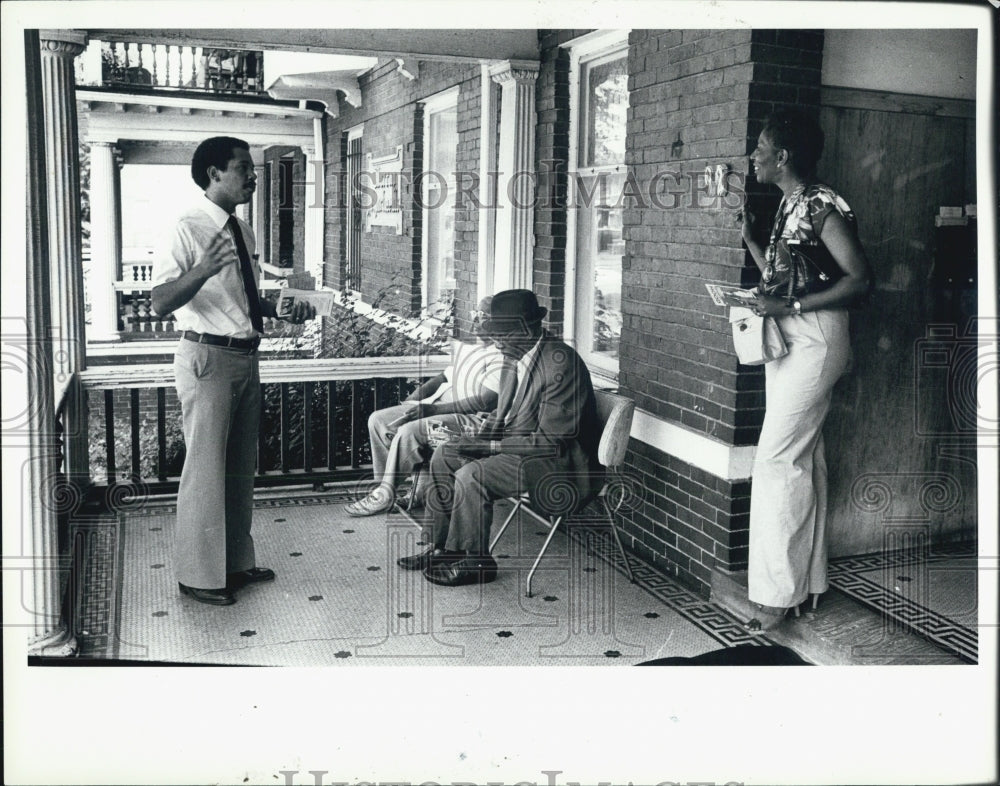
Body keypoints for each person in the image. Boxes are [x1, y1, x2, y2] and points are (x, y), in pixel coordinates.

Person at [151, 136, 315, 606]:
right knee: (204, 469)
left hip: (245, 356)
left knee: (241, 467)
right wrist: (201, 269)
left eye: (252, 167)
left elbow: (242, 298)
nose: (253, 175)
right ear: (213, 173)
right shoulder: (186, 227)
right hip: (207, 359)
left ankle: (235, 563)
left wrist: (281, 308)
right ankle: (198, 575)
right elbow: (161, 301)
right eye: (243, 167)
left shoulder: (242, 231)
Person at [737, 110, 873, 630]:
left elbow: (860, 280)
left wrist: (791, 309)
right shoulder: (790, 204)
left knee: (776, 459)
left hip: (815, 339)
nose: (755, 157)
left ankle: (775, 594)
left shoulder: (821, 203)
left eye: (761, 149)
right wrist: (752, 238)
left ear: (783, 157)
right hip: (790, 340)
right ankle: (808, 581)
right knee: (804, 454)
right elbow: (785, 275)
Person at [397, 289, 602, 587]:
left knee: (472, 476)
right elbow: (503, 416)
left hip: (557, 463)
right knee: (445, 456)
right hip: (522, 448)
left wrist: (488, 447)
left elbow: (550, 442)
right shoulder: (514, 357)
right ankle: (440, 549)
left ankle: (477, 561)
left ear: (526, 329)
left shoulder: (560, 366)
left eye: (501, 334)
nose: (495, 341)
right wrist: (473, 437)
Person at [344, 296, 503, 517]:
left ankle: (386, 494)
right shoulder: (473, 350)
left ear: (500, 322)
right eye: (474, 314)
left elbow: (486, 401)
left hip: (467, 419)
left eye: (483, 316)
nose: (475, 320)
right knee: (379, 421)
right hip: (436, 406)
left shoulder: (503, 356)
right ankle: (391, 487)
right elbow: (442, 378)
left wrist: (432, 411)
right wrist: (414, 398)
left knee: (410, 431)